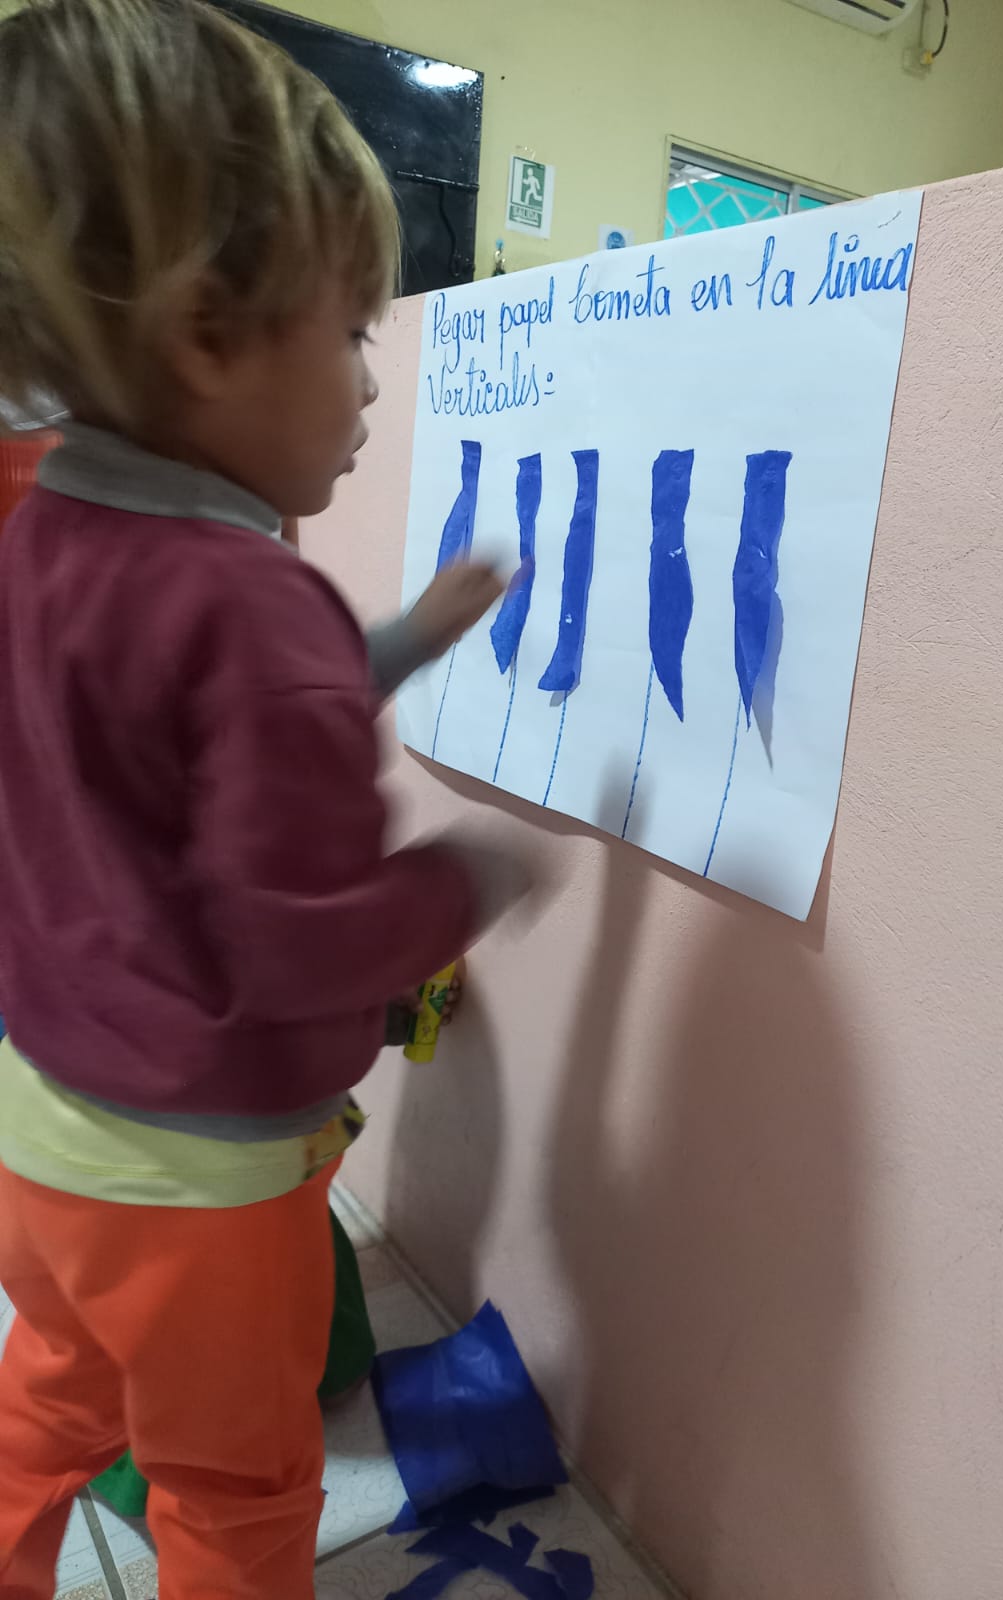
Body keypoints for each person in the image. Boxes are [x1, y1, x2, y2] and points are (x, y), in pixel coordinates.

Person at [0, 2, 535, 1595]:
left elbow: (186, 737)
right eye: (355, 332)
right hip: (202, 1185)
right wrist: (470, 884)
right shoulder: (254, 606)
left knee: (52, 1398)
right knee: (235, 1489)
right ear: (206, 336)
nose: (374, 384)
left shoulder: (44, 534)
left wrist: (404, 641)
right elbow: (297, 940)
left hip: (44, 1132)